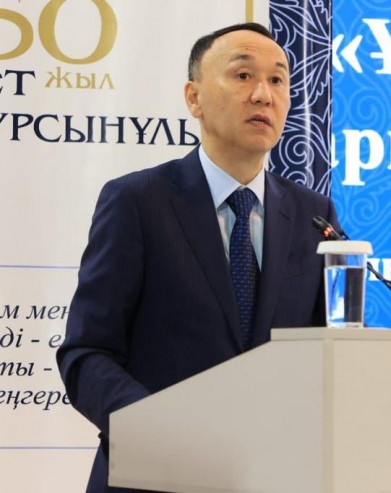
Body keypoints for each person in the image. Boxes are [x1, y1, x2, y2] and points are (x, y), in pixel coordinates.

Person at [57, 23, 338, 492]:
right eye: (243, 75)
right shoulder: (137, 201)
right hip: (154, 475)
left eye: (277, 79)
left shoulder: (314, 214)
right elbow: (87, 353)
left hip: (270, 476)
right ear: (194, 98)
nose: (263, 94)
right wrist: (158, 428)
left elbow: (325, 356)